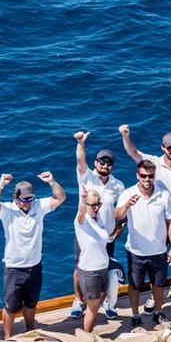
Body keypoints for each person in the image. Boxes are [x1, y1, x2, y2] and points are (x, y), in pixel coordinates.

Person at [119, 124, 171, 313]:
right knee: (153, 261)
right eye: (170, 148)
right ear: (163, 148)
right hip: (158, 222)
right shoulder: (154, 164)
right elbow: (133, 152)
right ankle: (153, 299)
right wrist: (126, 136)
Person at [0, 172, 66, 339]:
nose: (28, 202)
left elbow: (60, 197)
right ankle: (8, 338)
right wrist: (1, 184)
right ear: (16, 198)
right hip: (14, 268)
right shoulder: (8, 210)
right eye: (24, 199)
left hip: (34, 266)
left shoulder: (39, 206)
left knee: (31, 303)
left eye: (30, 198)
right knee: (10, 306)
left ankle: (31, 333)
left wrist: (51, 181)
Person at [114, 159, 171, 327]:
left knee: (157, 285)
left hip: (159, 250)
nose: (147, 179)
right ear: (138, 175)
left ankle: (158, 312)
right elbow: (117, 215)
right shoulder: (128, 193)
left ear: (154, 176)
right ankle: (135, 315)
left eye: (150, 176)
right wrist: (127, 205)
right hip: (136, 252)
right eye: (143, 176)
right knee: (134, 285)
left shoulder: (164, 194)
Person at [70, 131, 125, 319]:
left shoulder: (118, 186)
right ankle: (78, 300)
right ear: (96, 163)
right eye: (102, 162)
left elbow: (122, 211)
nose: (105, 165)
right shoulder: (87, 177)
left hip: (106, 235)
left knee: (106, 268)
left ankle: (104, 301)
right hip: (85, 233)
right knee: (79, 267)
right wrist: (81, 143)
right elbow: (80, 161)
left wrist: (121, 226)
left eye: (108, 163)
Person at [74, 188, 110, 332]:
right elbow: (81, 214)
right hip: (90, 271)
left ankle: (89, 335)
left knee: (99, 300)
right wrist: (83, 202)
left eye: (98, 204)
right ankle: (87, 337)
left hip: (103, 268)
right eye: (92, 205)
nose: (96, 208)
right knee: (93, 308)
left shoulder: (98, 218)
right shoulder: (82, 221)